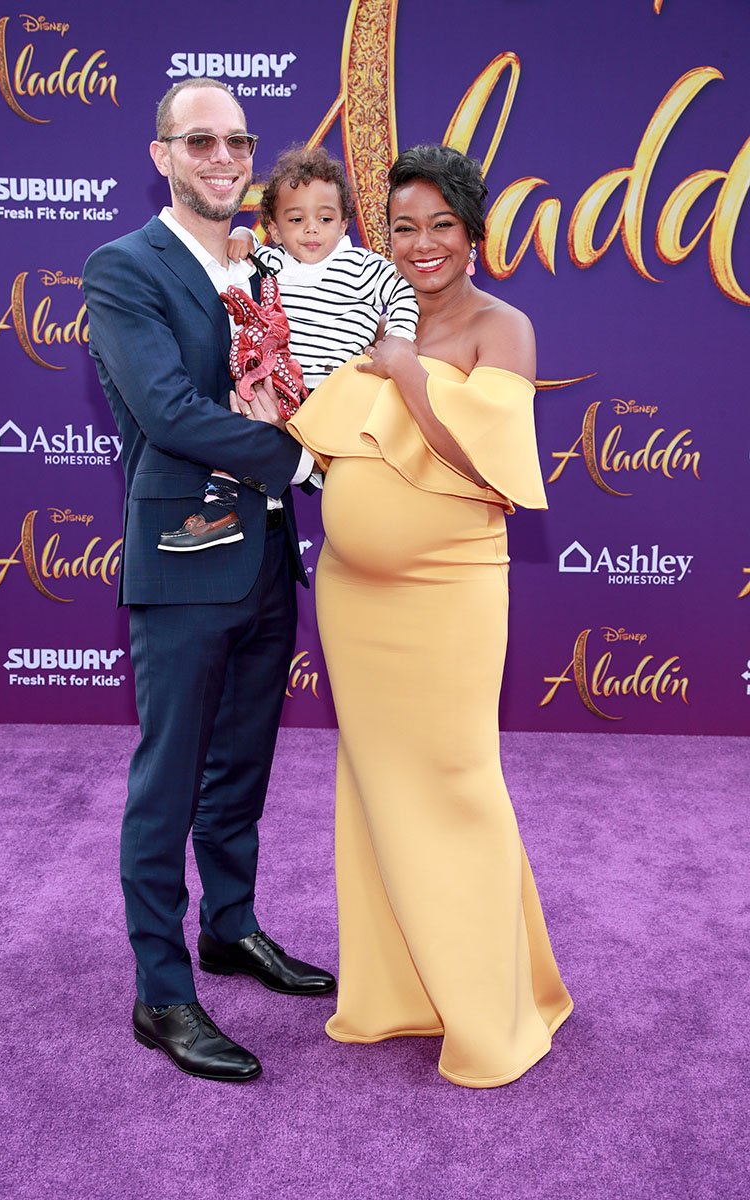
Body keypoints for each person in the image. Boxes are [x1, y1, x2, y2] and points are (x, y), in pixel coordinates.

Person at [246, 143, 573, 1087]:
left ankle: (492, 1011)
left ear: (473, 235)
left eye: (441, 226)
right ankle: (397, 995)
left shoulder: (500, 328)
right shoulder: (358, 318)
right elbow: (315, 429)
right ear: (377, 236)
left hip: (450, 595)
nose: (421, 245)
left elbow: (488, 461)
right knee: (376, 787)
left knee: (459, 781)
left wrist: (407, 373)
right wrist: (273, 393)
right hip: (353, 595)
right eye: (402, 227)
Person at [82, 77, 335, 1084]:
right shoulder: (123, 267)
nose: (223, 158)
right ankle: (162, 989)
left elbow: (276, 382)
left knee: (240, 767)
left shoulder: (258, 261)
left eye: (235, 141)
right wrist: (312, 457)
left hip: (268, 555)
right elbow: (172, 412)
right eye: (200, 142)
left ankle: (231, 928)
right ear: (161, 156)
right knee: (169, 778)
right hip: (185, 558)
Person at [158, 144, 419, 552]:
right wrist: (242, 234)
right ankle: (224, 507)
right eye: (296, 220)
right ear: (275, 229)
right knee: (240, 419)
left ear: (344, 223)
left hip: (340, 395)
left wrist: (400, 341)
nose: (311, 229)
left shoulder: (367, 267)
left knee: (358, 479)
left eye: (325, 218)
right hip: (280, 388)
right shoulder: (270, 262)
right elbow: (234, 258)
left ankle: (382, 532)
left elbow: (403, 295)